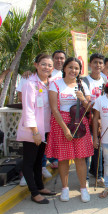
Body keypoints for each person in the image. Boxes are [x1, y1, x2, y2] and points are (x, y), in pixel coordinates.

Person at [46, 57, 93, 203]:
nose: (74, 70)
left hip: (79, 122)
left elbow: (89, 107)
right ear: (64, 68)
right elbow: (54, 108)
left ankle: (83, 188)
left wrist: (83, 99)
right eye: (71, 67)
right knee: (64, 158)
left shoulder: (83, 85)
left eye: (77, 68)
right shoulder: (55, 84)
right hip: (61, 123)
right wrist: (65, 128)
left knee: (80, 157)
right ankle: (65, 188)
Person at [16, 54, 57, 204]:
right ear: (36, 65)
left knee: (39, 160)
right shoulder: (29, 84)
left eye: (49, 65)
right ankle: (34, 192)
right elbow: (28, 110)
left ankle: (40, 186)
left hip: (45, 129)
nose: (46, 67)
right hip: (32, 131)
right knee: (29, 161)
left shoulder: (50, 83)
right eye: (43, 64)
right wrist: (35, 132)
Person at [82, 53, 106, 188]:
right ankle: (84, 177)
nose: (98, 65)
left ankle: (99, 175)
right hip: (87, 117)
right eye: (95, 62)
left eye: (100, 63)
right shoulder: (84, 81)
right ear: (90, 64)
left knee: (99, 148)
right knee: (87, 147)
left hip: (101, 118)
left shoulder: (105, 81)